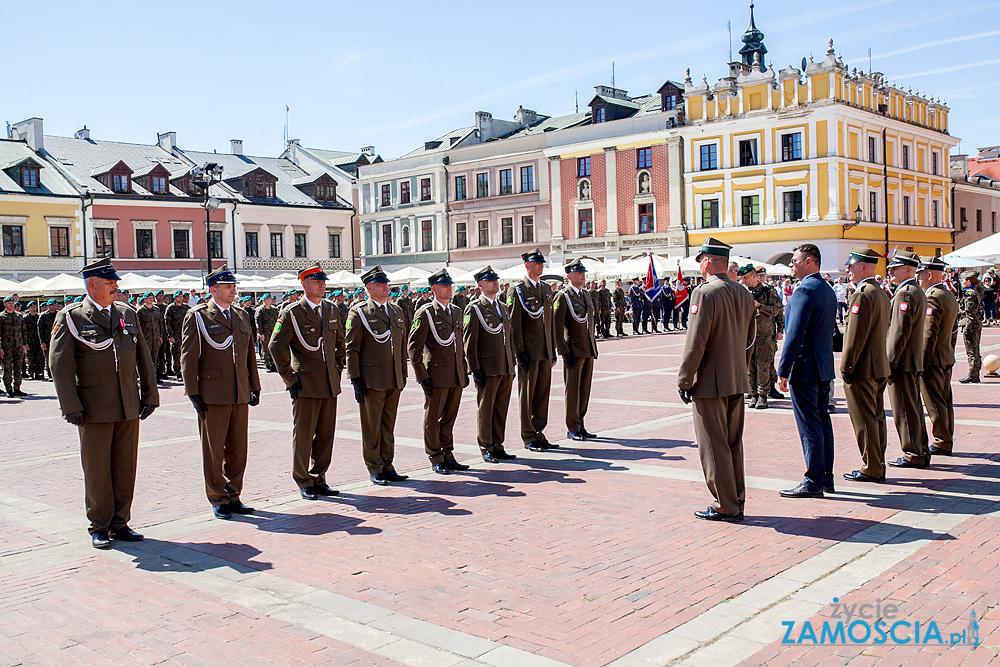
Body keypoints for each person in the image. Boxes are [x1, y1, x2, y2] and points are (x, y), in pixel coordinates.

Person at [49, 258, 158, 548]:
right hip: (93, 406)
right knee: (97, 468)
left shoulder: (126, 313)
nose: (116, 287)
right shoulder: (72, 317)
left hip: (127, 404)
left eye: (115, 283)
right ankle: (99, 524)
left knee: (125, 466)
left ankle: (120, 523)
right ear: (91, 284)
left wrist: (150, 394)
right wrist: (70, 405)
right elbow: (59, 365)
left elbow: (142, 357)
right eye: (110, 283)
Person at [677, 238, 756, 522]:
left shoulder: (705, 293)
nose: (700, 266)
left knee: (713, 444)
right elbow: (750, 340)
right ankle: (737, 497)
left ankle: (725, 504)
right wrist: (740, 370)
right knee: (733, 442)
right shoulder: (744, 293)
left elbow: (696, 342)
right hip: (736, 378)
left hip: (710, 382)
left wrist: (685, 379)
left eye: (700, 261)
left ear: (707, 261)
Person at [180, 266, 261, 520]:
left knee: (238, 448)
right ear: (213, 290)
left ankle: (234, 494)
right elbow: (188, 356)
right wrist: (193, 392)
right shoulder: (199, 316)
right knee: (214, 449)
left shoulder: (241, 315)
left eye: (233, 286)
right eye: (227, 287)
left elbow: (249, 353)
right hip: (212, 393)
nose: (232, 290)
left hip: (239, 391)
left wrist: (254, 385)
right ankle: (218, 497)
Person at [269, 265, 346, 499]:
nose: (322, 285)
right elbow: (275, 346)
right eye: (317, 282)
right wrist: (290, 377)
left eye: (323, 282)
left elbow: (340, 344)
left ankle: (319, 477)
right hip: (305, 384)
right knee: (304, 435)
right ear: (304, 284)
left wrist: (337, 369)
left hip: (328, 382)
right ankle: (303, 480)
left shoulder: (331, 309)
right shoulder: (292, 313)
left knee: (325, 435)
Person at [776, 244, 837, 498]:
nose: (792, 265)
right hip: (822, 365)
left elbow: (795, 335)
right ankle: (826, 477)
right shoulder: (826, 289)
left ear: (809, 261)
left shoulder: (805, 291)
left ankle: (813, 479)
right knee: (822, 422)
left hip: (805, 367)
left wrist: (783, 369)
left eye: (795, 260)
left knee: (809, 425)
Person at [346, 265, 410, 485]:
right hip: (371, 379)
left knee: (388, 425)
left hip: (393, 377)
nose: (385, 287)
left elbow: (401, 347)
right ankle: (374, 467)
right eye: (380, 284)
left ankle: (387, 464)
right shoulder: (360, 312)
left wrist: (403, 373)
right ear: (368, 288)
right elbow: (351, 348)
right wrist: (355, 379)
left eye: (386, 284)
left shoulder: (396, 311)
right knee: (372, 427)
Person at [407, 269, 470, 474]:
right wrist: (421, 376)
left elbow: (459, 344)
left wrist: (464, 369)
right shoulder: (425, 313)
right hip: (435, 374)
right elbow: (413, 347)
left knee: (450, 417)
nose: (448, 288)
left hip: (455, 373)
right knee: (433, 417)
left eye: (450, 285)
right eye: (444, 285)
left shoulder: (457, 312)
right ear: (433, 288)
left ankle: (447, 452)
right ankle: (435, 455)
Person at [841, 247, 892, 483]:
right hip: (878, 364)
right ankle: (877, 461)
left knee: (864, 419)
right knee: (876, 417)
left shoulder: (862, 293)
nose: (848, 269)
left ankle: (872, 466)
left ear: (863, 267)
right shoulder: (880, 292)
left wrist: (846, 367)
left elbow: (855, 336)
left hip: (863, 367)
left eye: (851, 265)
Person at [882, 251, 930, 470]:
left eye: (896, 268)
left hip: (902, 362)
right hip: (910, 360)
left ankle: (913, 452)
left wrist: (890, 362)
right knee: (912, 406)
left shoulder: (906, 293)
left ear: (909, 270)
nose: (890, 271)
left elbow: (899, 332)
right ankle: (920, 448)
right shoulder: (911, 290)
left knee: (904, 409)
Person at [464, 265, 518, 462]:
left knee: (500, 408)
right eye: (490, 280)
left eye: (496, 279)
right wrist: (474, 368)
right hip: (487, 368)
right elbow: (469, 341)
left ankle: (498, 445)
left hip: (504, 366)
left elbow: (508, 338)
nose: (495, 282)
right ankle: (486, 446)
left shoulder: (503, 307)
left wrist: (511, 364)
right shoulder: (475, 308)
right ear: (480, 285)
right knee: (486, 409)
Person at [507, 249, 557, 452]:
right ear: (527, 265)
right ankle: (528, 436)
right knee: (527, 395)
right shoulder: (518, 290)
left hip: (544, 350)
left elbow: (550, 322)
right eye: (536, 263)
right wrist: (519, 351)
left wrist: (552, 347)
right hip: (528, 351)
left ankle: (539, 432)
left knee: (542, 394)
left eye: (542, 263)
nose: (540, 266)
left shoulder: (546, 289)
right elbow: (514, 324)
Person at [916, 257, 959, 457]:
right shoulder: (948, 294)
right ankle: (946, 436)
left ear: (929, 274)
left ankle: (942, 441)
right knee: (945, 399)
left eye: (920, 274)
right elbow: (953, 330)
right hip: (945, 355)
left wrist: (923, 361)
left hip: (933, 358)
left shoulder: (932, 296)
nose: (918, 278)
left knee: (935, 401)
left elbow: (929, 332)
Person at [554, 259, 599, 442]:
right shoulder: (563, 296)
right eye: (578, 272)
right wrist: (564, 351)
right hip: (573, 350)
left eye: (583, 272)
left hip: (587, 348)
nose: (582, 275)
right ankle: (572, 427)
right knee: (572, 391)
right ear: (569, 276)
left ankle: (581, 423)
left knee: (584, 389)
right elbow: (556, 327)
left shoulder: (586, 295)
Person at [737, 264, 783, 409]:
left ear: (754, 276)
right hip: (748, 336)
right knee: (750, 367)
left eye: (745, 278)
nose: (743, 281)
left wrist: (760, 306)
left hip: (765, 335)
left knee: (763, 365)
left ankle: (763, 396)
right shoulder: (742, 292)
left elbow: (777, 310)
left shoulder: (767, 291)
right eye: (741, 278)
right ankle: (753, 395)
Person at [957, 270, 984, 383]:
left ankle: (972, 374)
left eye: (963, 280)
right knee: (974, 349)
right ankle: (975, 373)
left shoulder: (970, 294)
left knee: (971, 350)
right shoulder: (975, 291)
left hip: (971, 325)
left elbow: (970, 314)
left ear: (968, 281)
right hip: (975, 324)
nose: (962, 282)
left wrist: (967, 327)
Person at [0, 297, 28, 397]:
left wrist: (25, 344)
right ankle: (8, 389)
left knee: (18, 368)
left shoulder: (19, 316)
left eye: (13, 303)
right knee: (7, 368)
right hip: (6, 346)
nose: (12, 305)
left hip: (18, 346)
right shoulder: (2, 316)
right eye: (9, 303)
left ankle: (17, 388)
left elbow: (23, 331)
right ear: (5, 305)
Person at [136, 292, 164, 385]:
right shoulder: (140, 311)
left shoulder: (156, 309)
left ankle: (154, 377)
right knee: (145, 359)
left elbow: (160, 323)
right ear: (144, 299)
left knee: (154, 358)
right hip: (145, 339)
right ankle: (145, 378)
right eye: (149, 298)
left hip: (155, 338)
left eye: (152, 298)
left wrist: (160, 336)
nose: (151, 299)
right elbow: (138, 326)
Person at [164, 290, 189, 378]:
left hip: (185, 334)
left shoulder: (186, 308)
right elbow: (167, 323)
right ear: (175, 297)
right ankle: (178, 372)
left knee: (185, 354)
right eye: (178, 296)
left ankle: (185, 372)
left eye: (181, 296)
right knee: (176, 354)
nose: (180, 298)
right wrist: (170, 336)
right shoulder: (170, 308)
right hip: (175, 335)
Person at [254, 293, 279, 372]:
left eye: (270, 300)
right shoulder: (260, 310)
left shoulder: (274, 309)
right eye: (267, 300)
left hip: (273, 332)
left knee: (273, 347)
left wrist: (277, 332)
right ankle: (267, 364)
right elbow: (258, 323)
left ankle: (273, 364)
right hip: (265, 332)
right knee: (265, 348)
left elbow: (277, 321)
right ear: (263, 301)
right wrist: (260, 333)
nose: (269, 301)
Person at [37, 299, 58, 381]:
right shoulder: (43, 316)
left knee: (58, 358)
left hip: (57, 340)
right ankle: (50, 375)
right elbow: (40, 329)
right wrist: (42, 342)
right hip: (47, 340)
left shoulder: (59, 314)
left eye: (54, 305)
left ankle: (57, 375)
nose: (53, 306)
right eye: (51, 305)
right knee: (48, 358)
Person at [22, 301, 44, 381]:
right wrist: (25, 343)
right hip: (29, 341)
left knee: (39, 358)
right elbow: (23, 331)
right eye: (31, 307)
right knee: (30, 359)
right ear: (28, 308)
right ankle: (31, 373)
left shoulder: (39, 317)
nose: (33, 308)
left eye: (34, 307)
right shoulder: (25, 318)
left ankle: (38, 373)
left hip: (38, 341)